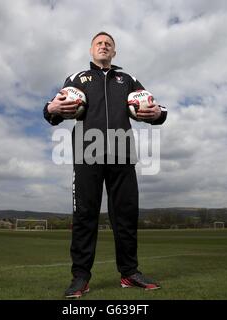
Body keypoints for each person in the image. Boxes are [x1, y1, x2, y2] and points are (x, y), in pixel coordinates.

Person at [43, 32, 167, 298]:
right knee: (85, 215)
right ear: (91, 51)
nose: (104, 46)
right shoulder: (77, 79)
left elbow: (152, 105)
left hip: (122, 154)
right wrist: (50, 108)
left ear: (114, 52)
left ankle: (130, 273)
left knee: (125, 215)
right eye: (99, 43)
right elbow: (56, 108)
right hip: (88, 153)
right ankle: (80, 278)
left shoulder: (128, 79)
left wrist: (159, 113)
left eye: (108, 44)